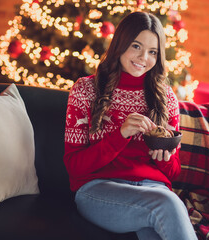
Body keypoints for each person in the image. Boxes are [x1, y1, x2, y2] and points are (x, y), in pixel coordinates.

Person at [63, 11, 197, 240]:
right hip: (97, 190)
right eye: (136, 46)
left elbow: (173, 171)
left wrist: (161, 157)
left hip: (152, 190)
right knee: (167, 203)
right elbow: (74, 166)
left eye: (152, 52)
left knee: (155, 227)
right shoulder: (85, 90)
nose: (143, 58)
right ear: (120, 44)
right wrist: (120, 135)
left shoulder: (165, 98)